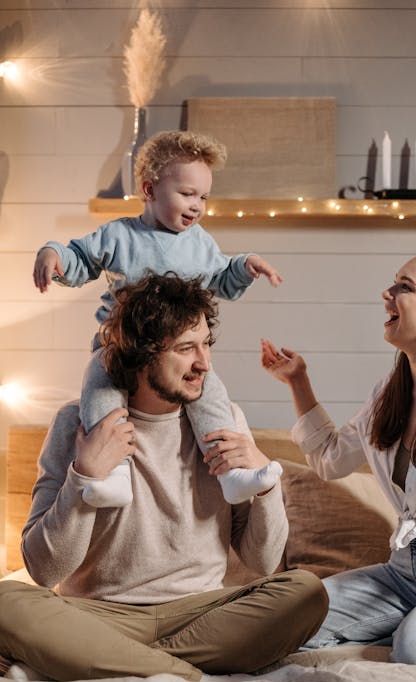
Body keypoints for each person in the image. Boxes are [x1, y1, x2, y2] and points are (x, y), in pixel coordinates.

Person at [0, 273, 327, 682]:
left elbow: (262, 564)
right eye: (185, 348)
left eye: (206, 344)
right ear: (142, 356)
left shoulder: (227, 424)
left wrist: (265, 482)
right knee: (4, 601)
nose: (204, 364)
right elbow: (45, 571)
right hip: (100, 615)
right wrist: (84, 478)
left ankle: (112, 662)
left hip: (202, 612)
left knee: (306, 591)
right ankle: (182, 673)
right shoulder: (76, 424)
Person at [261, 247, 416, 672]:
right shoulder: (389, 393)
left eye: (404, 287)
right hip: (403, 572)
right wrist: (298, 382)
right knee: (280, 622)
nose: (386, 294)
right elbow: (331, 460)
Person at [32, 129, 283, 508]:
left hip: (177, 355)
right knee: (99, 392)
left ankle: (231, 474)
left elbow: (221, 280)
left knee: (212, 396)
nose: (197, 205)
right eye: (187, 193)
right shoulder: (119, 235)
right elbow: (80, 258)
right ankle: (111, 475)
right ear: (149, 190)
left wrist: (245, 267)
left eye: (203, 197)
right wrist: (53, 254)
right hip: (121, 347)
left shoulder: (200, 243)